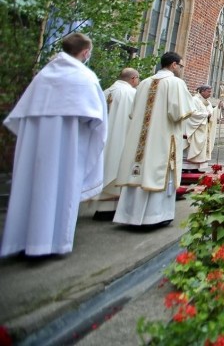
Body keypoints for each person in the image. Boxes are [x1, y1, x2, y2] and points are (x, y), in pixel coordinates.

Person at [1, 33, 108, 256]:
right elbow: (98, 121)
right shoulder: (85, 78)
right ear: (86, 52)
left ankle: (23, 241)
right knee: (60, 189)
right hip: (67, 148)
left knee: (32, 187)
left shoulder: (43, 76)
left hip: (36, 147)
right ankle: (53, 244)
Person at [114, 51, 194, 228]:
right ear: (173, 65)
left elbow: (134, 113)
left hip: (139, 141)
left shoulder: (143, 83)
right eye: (181, 65)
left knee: (139, 171)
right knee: (157, 172)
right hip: (162, 138)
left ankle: (129, 215)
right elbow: (179, 113)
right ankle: (154, 216)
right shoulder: (175, 83)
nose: (181, 69)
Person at [89, 67, 139, 220]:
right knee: (117, 167)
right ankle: (113, 208)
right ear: (133, 78)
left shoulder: (106, 91)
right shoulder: (130, 93)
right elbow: (136, 118)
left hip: (102, 140)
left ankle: (101, 208)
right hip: (121, 138)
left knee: (104, 168)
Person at [184, 84, 222, 169]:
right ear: (202, 91)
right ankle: (191, 168)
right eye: (208, 92)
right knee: (196, 148)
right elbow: (192, 113)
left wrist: (218, 108)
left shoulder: (207, 102)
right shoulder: (195, 100)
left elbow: (211, 113)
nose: (210, 94)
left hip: (205, 129)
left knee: (204, 150)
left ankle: (199, 167)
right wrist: (206, 115)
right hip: (197, 128)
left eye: (210, 92)